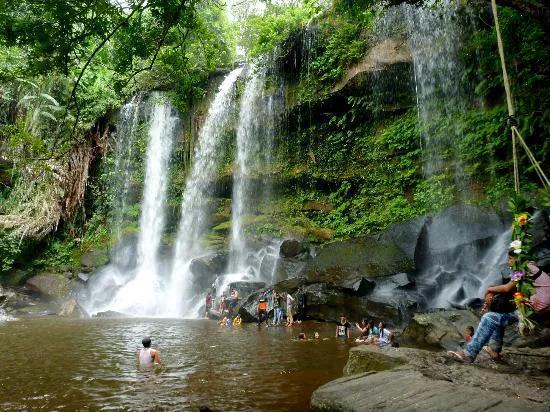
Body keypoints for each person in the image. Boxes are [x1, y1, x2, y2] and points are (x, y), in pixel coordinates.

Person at [449, 255, 549, 363]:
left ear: (518, 258)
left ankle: (468, 354)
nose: (508, 261)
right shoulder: (532, 267)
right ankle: (493, 349)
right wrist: (493, 292)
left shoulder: (522, 269)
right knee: (498, 312)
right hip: (537, 309)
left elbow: (507, 288)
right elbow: (513, 289)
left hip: (537, 313)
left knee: (489, 317)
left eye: (511, 258)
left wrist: (489, 290)